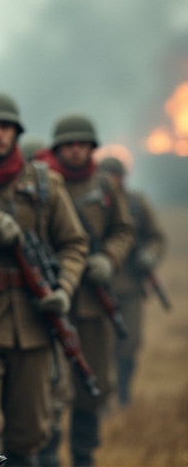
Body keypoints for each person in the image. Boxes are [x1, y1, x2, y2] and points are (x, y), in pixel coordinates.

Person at [0, 92, 89, 467]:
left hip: (34, 322)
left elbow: (75, 243)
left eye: (5, 127)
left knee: (31, 433)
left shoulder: (46, 184)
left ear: (16, 132)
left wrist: (64, 291)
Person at [36, 115, 134, 466]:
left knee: (93, 385)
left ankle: (83, 455)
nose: (75, 150)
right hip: (52, 301)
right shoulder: (44, 184)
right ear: (58, 148)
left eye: (82, 144)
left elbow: (124, 230)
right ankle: (48, 453)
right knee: (49, 389)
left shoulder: (106, 187)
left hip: (92, 303)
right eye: (69, 144)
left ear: (91, 148)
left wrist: (109, 258)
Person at [97, 156, 167, 407]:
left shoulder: (137, 204)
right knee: (101, 348)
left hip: (129, 289)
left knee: (130, 345)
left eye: (115, 175)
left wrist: (150, 255)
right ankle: (103, 398)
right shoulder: (93, 205)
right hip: (97, 288)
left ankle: (123, 394)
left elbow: (157, 237)